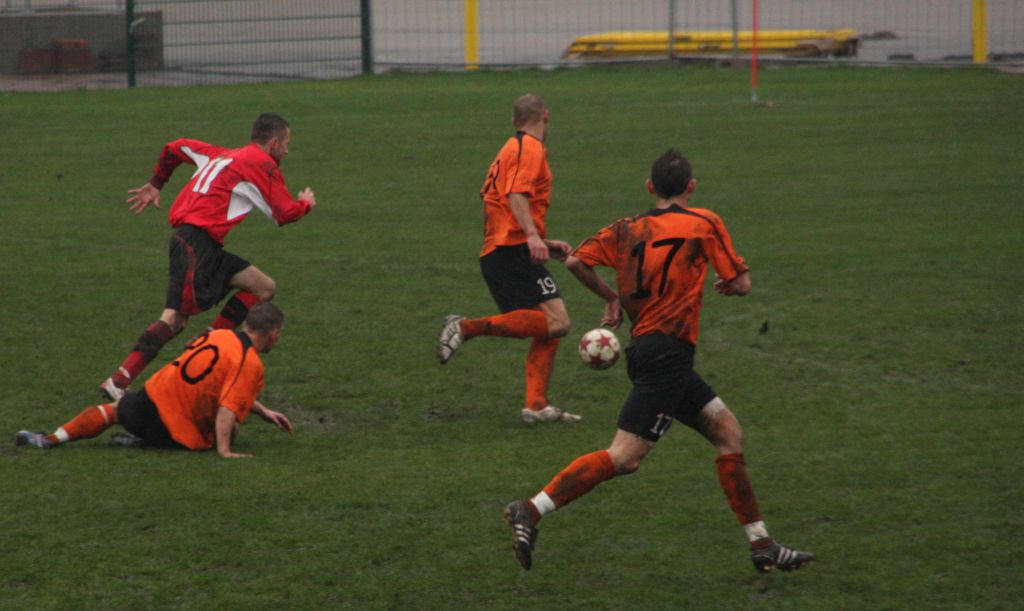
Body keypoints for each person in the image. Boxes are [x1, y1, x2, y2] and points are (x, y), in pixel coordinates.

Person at [502, 149, 814, 573]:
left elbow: (574, 260)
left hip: (653, 353)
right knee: (625, 457)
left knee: (727, 432)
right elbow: (741, 284)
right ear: (691, 187)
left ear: (650, 187)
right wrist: (727, 282)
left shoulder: (627, 228)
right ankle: (530, 509)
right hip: (667, 355)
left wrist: (612, 297)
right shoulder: (704, 222)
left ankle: (762, 545)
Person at [98, 113, 317, 402]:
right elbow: (284, 214)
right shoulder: (261, 164)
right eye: (286, 144)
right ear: (273, 143)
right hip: (193, 246)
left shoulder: (221, 155)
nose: (287, 151)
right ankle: (118, 381)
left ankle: (205, 343)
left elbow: (174, 147)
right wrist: (306, 204)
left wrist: (156, 183)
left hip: (204, 246)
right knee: (174, 319)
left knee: (263, 287)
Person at [437, 94, 579, 425]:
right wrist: (531, 236)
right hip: (510, 248)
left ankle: (536, 405)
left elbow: (504, 201)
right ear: (546, 115)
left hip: (507, 247)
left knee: (553, 326)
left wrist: (540, 239)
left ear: (514, 120)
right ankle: (464, 327)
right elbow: (516, 194)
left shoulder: (510, 147)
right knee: (558, 323)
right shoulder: (530, 148)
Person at [16, 302, 292, 459]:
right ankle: (146, 440)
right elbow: (228, 407)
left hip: (151, 397)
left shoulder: (220, 334)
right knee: (226, 431)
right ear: (274, 334)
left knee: (113, 411)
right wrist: (225, 451)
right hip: (175, 426)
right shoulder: (249, 362)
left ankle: (50, 439)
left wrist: (264, 411)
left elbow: (228, 387)